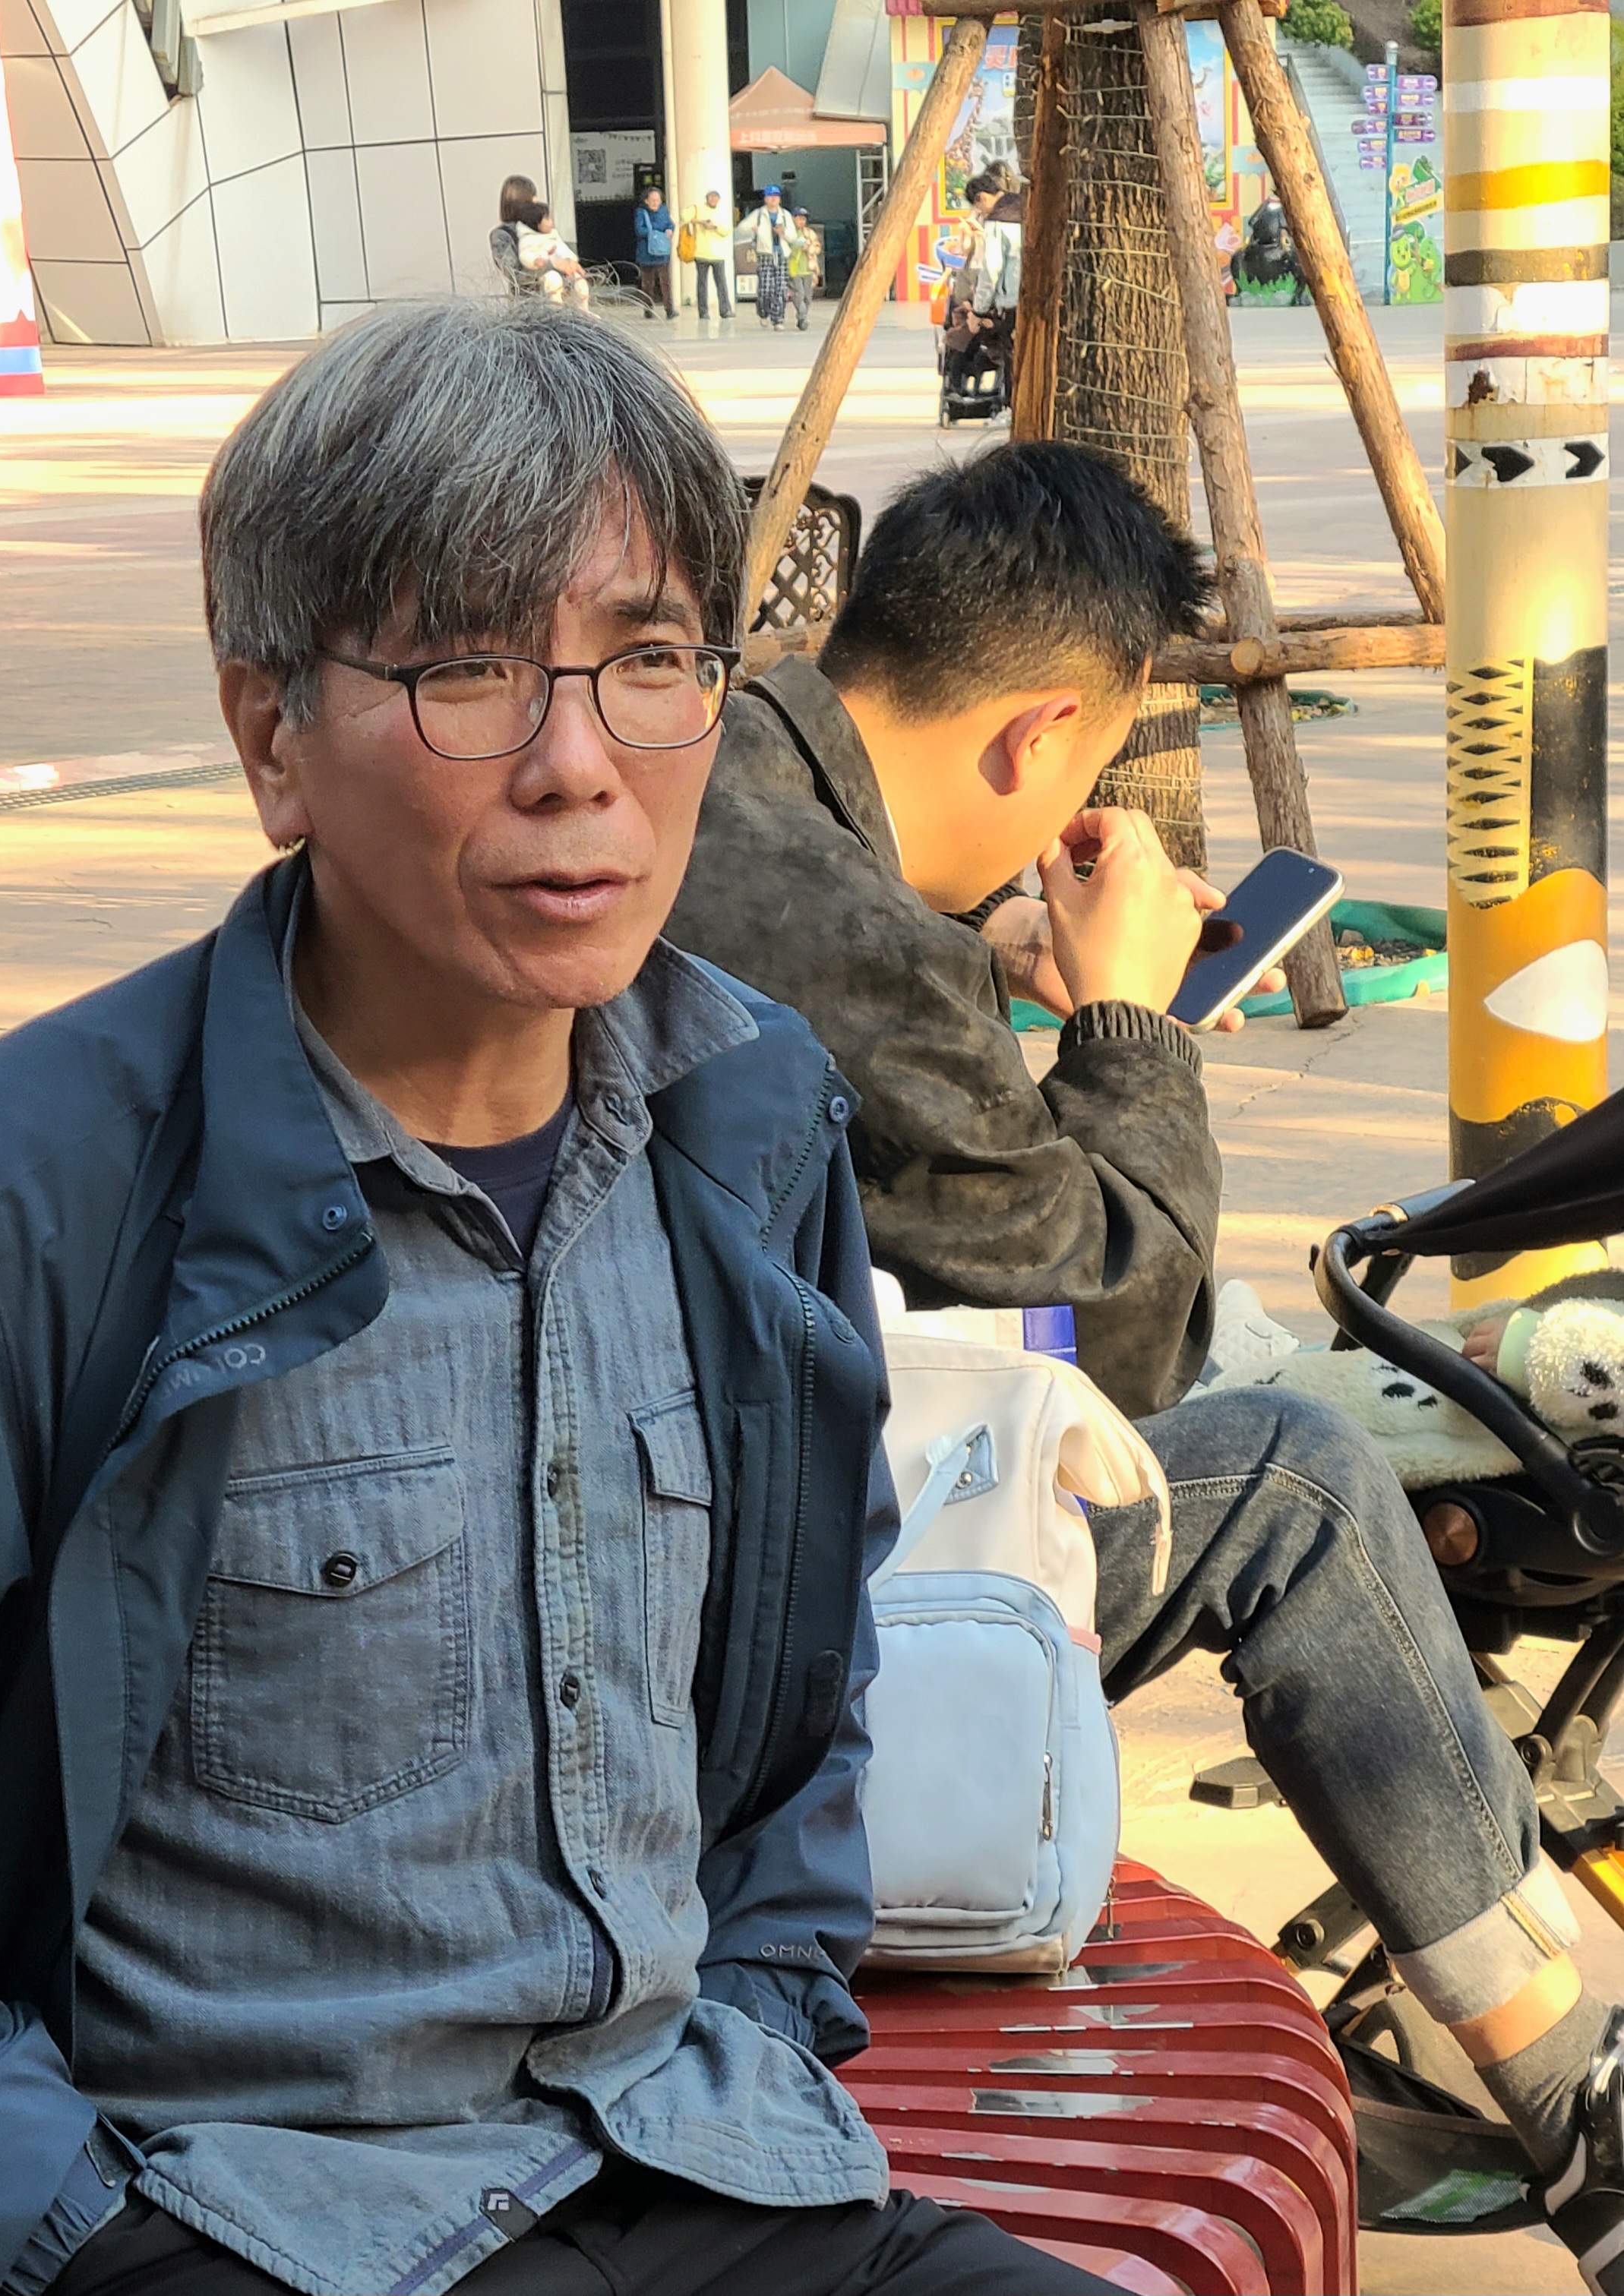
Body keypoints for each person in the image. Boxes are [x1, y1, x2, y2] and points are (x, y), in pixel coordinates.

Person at [0, 303, 1114, 2296]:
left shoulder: (751, 1121)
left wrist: (768, 2016)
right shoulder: (13, 1200)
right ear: (272, 737)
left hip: (691, 2151)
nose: (576, 768)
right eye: (466, 669)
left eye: (647, 660)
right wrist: (74, 2232)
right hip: (241, 2210)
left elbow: (806, 1691)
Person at [668, 438, 1624, 2286]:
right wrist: (1127, 1013)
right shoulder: (848, 931)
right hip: (745, 1637)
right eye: (1088, 761)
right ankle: (1574, 2087)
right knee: (1293, 1472)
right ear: (1041, 733)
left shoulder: (734, 771)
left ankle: (1538, 2043)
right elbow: (1121, 1319)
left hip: (677, 1509)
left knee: (1295, 1398)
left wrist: (977, 942)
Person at [965, 165, 1022, 396]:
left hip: (1012, 301)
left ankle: (1012, 403)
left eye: (977, 207)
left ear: (981, 197)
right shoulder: (1023, 207)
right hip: (1037, 296)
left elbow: (991, 269)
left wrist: (978, 310)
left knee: (1013, 357)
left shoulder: (997, 222)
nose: (981, 213)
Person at [736, 186, 797, 330]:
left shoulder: (785, 215)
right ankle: (763, 313)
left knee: (780, 289)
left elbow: (793, 237)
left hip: (782, 255)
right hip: (765, 255)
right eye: (770, 196)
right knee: (766, 288)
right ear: (765, 199)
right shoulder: (759, 214)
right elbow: (742, 227)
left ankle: (778, 320)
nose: (773, 199)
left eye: (776, 196)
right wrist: (754, 229)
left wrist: (783, 232)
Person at [514, 201, 589, 308]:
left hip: (565, 270)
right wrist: (535, 260)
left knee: (581, 284)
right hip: (545, 271)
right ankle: (556, 308)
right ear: (537, 223)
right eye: (548, 219)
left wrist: (571, 259)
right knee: (553, 281)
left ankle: (583, 308)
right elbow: (525, 254)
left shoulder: (553, 235)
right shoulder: (528, 239)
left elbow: (564, 248)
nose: (552, 222)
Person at [489, 172, 538, 295]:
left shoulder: (537, 228)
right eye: (533, 198)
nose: (536, 202)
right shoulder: (502, 235)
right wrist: (544, 267)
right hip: (527, 301)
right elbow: (512, 272)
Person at [633, 184, 676, 319]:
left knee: (665, 283)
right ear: (646, 201)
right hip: (646, 254)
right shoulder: (641, 212)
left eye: (658, 200)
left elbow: (670, 224)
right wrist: (655, 233)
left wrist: (670, 229)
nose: (656, 203)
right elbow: (639, 230)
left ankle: (669, 309)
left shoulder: (663, 210)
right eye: (653, 200)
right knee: (647, 284)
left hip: (662, 253)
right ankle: (648, 310)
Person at [691, 189, 735, 319]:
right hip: (701, 253)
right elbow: (686, 217)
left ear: (719, 200)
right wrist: (702, 222)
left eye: (715, 198)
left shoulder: (722, 213)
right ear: (707, 199)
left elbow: (727, 230)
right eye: (711, 197)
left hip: (718, 254)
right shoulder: (698, 209)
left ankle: (725, 310)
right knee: (702, 285)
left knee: (722, 284)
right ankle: (703, 311)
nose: (713, 200)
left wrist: (714, 227)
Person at [786, 207, 822, 331]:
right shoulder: (789, 233)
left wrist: (809, 248)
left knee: (807, 296)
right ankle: (803, 318)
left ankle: (803, 317)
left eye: (804, 219)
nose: (802, 221)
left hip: (808, 269)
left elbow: (817, 248)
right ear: (793, 219)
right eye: (799, 218)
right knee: (798, 294)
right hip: (794, 268)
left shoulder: (809, 233)